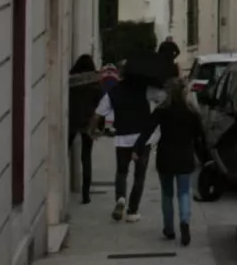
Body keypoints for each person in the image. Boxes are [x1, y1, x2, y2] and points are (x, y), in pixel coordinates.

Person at [133, 78, 208, 246]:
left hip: (165, 157)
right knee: (184, 192)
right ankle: (185, 222)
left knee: (167, 194)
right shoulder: (192, 113)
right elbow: (200, 137)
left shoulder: (162, 111)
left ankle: (169, 228)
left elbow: (147, 130)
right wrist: (204, 157)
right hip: (185, 157)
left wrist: (137, 149)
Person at [93, 58, 165, 222]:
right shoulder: (145, 89)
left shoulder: (114, 91)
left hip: (122, 139)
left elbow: (98, 113)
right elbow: (162, 97)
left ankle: (120, 198)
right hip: (142, 139)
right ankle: (133, 211)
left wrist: (92, 130)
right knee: (139, 176)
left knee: (121, 172)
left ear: (120, 74)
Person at [68, 55, 101, 203]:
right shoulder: (95, 81)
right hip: (89, 123)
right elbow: (100, 104)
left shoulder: (72, 79)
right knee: (86, 158)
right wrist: (100, 126)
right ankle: (86, 194)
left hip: (72, 121)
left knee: (64, 151)